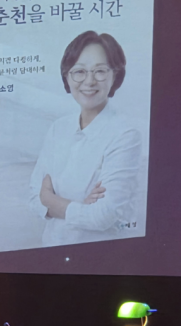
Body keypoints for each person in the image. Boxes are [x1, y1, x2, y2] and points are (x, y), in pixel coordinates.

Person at [28, 31, 142, 247]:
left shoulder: (125, 135)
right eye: (79, 71)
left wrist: (51, 200)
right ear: (67, 76)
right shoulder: (58, 128)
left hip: (100, 256)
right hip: (51, 250)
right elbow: (34, 199)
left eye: (100, 71)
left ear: (115, 76)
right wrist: (81, 205)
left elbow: (103, 216)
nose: (89, 81)